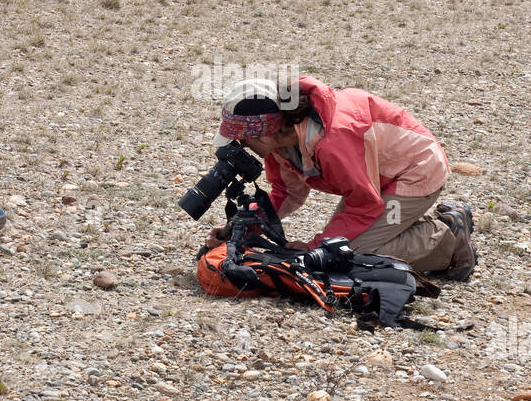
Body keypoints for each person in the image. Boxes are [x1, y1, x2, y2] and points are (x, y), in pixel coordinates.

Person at [203, 75, 477, 280]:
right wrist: (241, 227)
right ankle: (410, 227)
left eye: (242, 139)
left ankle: (447, 235)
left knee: (351, 254)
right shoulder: (283, 139)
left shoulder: (332, 140)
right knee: (346, 244)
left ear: (263, 131)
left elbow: (364, 205)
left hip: (414, 174)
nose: (241, 146)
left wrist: (315, 248)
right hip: (373, 178)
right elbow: (285, 193)